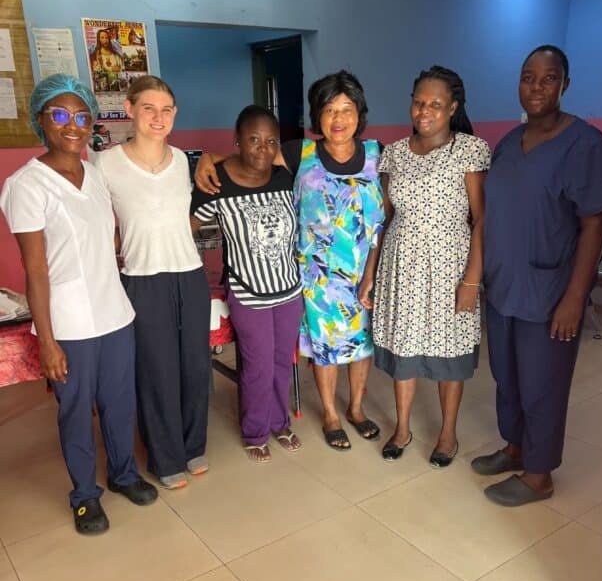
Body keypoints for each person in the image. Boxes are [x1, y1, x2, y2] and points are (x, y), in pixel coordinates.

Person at [0, 74, 157, 534]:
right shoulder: (26, 185)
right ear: (41, 121)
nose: (73, 125)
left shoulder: (95, 173)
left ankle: (125, 474)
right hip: (69, 323)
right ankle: (85, 495)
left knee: (118, 403)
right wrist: (47, 342)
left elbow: (106, 236)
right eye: (60, 115)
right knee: (75, 410)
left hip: (114, 313)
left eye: (82, 115)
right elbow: (35, 271)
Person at [195, 70, 385, 450]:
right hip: (313, 278)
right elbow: (254, 155)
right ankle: (331, 413)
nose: (339, 119)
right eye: (330, 110)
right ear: (319, 116)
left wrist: (372, 273)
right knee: (325, 347)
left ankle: (358, 408)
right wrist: (208, 157)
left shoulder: (377, 154)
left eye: (347, 109)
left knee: (361, 344)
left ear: (359, 114)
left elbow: (382, 219)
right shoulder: (302, 153)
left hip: (364, 271)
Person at [472, 45, 602, 506]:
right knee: (508, 378)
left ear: (565, 84)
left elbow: (595, 222)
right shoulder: (509, 144)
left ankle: (539, 475)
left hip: (550, 291)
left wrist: (575, 297)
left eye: (548, 78)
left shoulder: (586, 145)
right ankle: (515, 449)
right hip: (504, 286)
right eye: (528, 77)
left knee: (542, 385)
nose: (537, 87)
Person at [359, 67, 490, 466]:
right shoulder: (394, 153)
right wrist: (369, 274)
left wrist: (471, 280)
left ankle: (448, 433)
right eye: (419, 101)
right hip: (400, 265)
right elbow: (382, 218)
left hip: (451, 265)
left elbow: (481, 219)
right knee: (404, 347)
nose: (425, 110)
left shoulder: (470, 149)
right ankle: (402, 427)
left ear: (452, 107)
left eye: (435, 103)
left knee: (449, 351)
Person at [94, 76, 211, 489]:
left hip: (190, 274)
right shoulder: (105, 164)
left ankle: (194, 445)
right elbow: (100, 226)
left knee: (196, 368)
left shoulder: (182, 160)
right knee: (157, 370)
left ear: (175, 114)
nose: (158, 118)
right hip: (142, 279)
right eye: (149, 108)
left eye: (166, 110)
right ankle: (166, 458)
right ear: (129, 109)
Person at [191, 106, 303, 462]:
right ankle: (255, 431)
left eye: (270, 141)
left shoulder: (287, 176)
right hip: (248, 292)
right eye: (253, 139)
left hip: (289, 289)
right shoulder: (216, 183)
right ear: (236, 140)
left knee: (283, 361)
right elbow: (186, 229)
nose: (262, 148)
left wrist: (212, 154)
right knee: (258, 366)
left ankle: (280, 422)